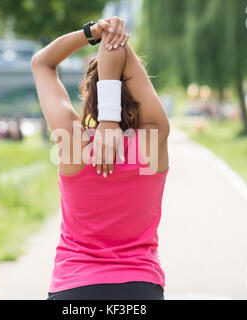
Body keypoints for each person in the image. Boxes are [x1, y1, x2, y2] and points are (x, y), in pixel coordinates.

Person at [32, 17, 170, 300]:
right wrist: (115, 36)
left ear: (89, 95)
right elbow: (118, 49)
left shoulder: (74, 143)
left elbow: (42, 63)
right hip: (140, 290)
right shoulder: (152, 142)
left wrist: (94, 32)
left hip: (74, 289)